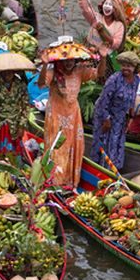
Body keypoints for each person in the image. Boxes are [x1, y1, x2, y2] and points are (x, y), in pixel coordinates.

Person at [38, 42, 97, 189]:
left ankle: (71, 182)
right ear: (60, 61)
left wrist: (100, 57)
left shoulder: (80, 70)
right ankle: (55, 183)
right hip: (56, 115)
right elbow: (40, 84)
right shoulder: (54, 72)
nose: (69, 63)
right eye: (65, 60)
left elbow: (98, 74)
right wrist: (45, 65)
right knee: (57, 148)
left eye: (71, 60)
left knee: (73, 147)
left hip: (73, 115)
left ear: (76, 60)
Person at [0, 52, 35, 161]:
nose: (7, 74)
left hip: (15, 122)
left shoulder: (20, 85)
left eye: (10, 72)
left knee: (14, 152)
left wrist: (22, 125)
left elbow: (25, 105)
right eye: (5, 72)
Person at [89, 51, 140, 171]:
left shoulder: (136, 80)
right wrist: (106, 119)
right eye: (124, 65)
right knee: (104, 142)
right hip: (106, 114)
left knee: (116, 143)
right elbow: (103, 100)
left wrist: (131, 114)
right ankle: (99, 170)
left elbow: (132, 97)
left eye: (129, 66)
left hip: (120, 117)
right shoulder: (114, 79)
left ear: (135, 67)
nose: (126, 68)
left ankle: (113, 170)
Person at [77, 0, 127, 80]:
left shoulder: (119, 25)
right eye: (106, 4)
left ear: (115, 9)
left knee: (102, 78)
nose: (107, 7)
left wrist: (102, 30)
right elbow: (85, 7)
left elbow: (115, 44)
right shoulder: (96, 18)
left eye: (110, 5)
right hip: (90, 51)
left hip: (106, 58)